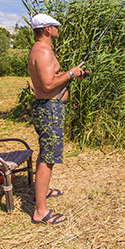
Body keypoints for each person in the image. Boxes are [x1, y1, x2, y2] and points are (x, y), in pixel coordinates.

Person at [28, 13, 85, 225]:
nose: (58, 29)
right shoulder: (42, 51)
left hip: (51, 108)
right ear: (47, 30)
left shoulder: (43, 50)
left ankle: (41, 193)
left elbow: (52, 80)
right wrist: (70, 73)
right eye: (55, 26)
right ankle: (40, 211)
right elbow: (48, 85)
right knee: (47, 158)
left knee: (46, 153)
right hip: (49, 110)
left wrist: (74, 74)